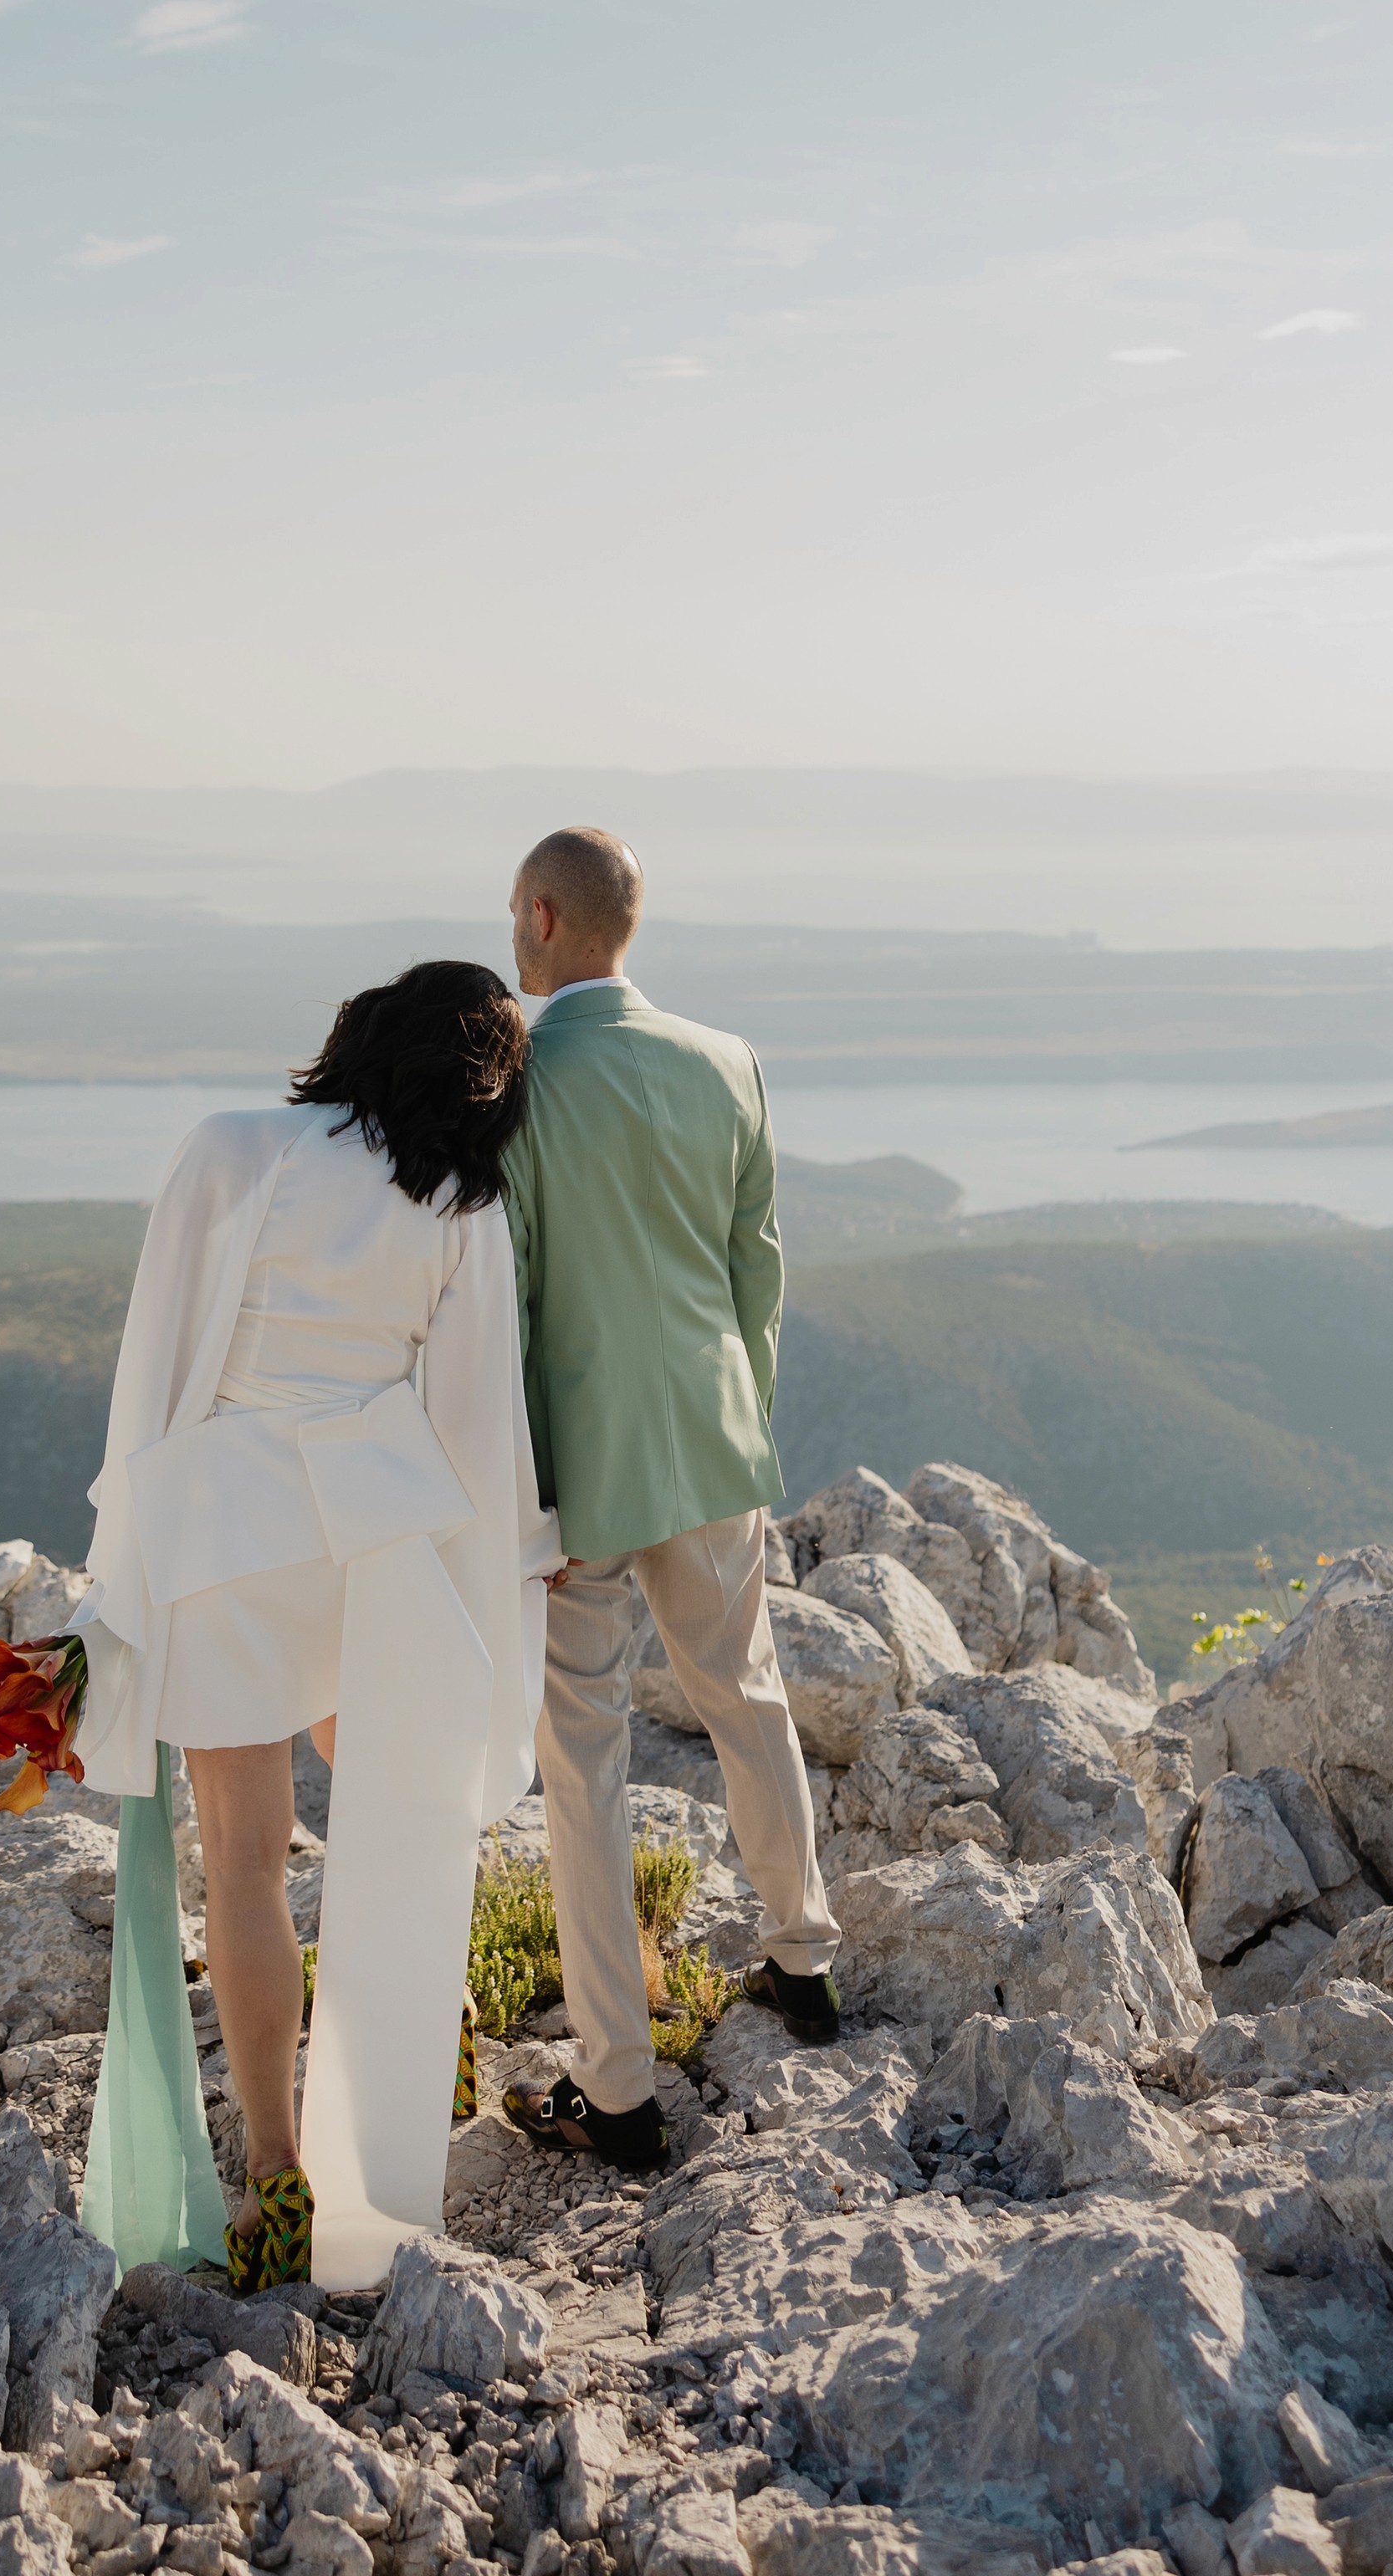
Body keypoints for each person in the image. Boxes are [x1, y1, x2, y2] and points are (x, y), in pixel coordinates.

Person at [64, 960, 561, 2292]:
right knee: (397, 1813)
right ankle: (417, 2048)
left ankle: (279, 2171)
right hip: (374, 1537)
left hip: (224, 1530)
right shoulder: (463, 1200)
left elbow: (154, 1366)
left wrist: (117, 1570)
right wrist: (499, 1577)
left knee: (241, 1862)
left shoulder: (232, 1149)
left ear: (364, 1034)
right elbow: (474, 1416)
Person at [499, 826, 841, 2172]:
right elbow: (759, 1278)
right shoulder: (729, 1063)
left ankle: (620, 2091)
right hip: (710, 1443)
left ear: (540, 918)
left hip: (580, 1468)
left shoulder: (516, 1085)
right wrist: (739, 1418)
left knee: (582, 1765)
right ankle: (802, 1961)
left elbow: (507, 1301)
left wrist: (519, 1490)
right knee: (745, 1692)